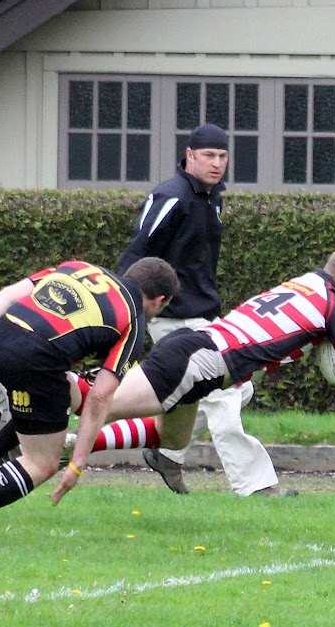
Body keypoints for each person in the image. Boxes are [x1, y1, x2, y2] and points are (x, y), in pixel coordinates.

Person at [83, 246, 335, 467]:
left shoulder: (306, 284)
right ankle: (46, 399)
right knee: (98, 402)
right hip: (199, 361)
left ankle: (72, 442)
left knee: (171, 438)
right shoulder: (332, 307)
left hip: (199, 354)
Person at [0, 256, 177, 541]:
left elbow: (9, 294)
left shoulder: (80, 267)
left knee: (65, 392)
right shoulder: (133, 321)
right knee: (42, 463)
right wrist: (77, 463)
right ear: (159, 300)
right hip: (34, 360)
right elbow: (100, 397)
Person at [118, 123, 282, 497]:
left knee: (225, 391)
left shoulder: (213, 199)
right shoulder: (170, 197)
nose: (217, 163)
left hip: (206, 317)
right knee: (223, 395)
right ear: (189, 156)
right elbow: (135, 254)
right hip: (174, 320)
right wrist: (129, 311)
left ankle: (168, 456)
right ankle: (256, 486)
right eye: (208, 155)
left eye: (222, 156)